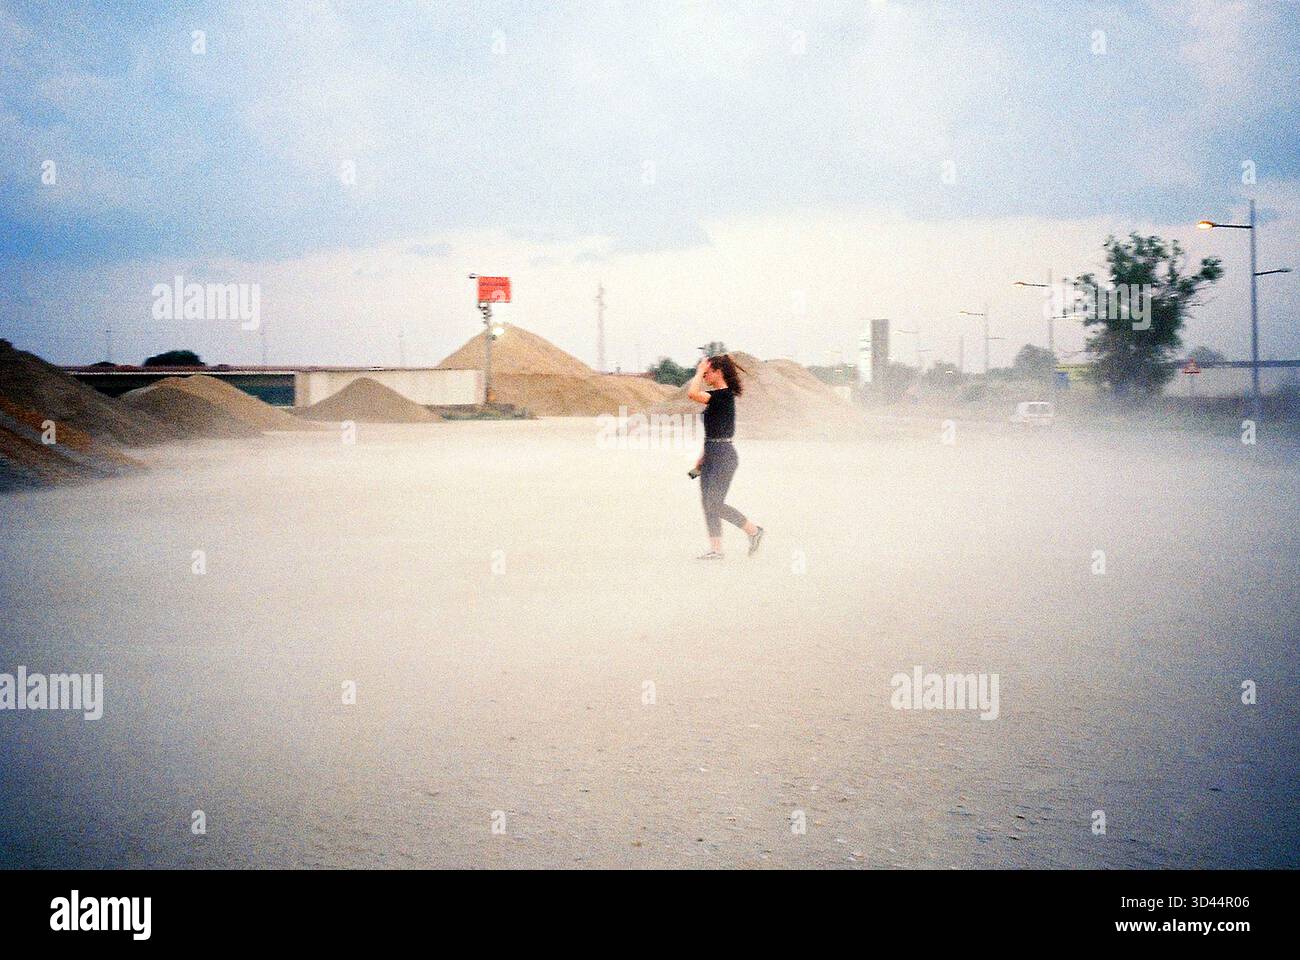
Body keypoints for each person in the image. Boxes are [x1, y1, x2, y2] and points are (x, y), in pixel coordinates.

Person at [687, 354, 764, 560]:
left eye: (706, 372)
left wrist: (697, 370)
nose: (704, 376)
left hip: (724, 456)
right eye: (702, 374)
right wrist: (702, 459)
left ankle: (754, 531)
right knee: (707, 502)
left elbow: (692, 393)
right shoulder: (716, 396)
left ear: (718, 372)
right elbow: (714, 431)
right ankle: (716, 550)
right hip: (711, 454)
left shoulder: (724, 396)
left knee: (715, 503)